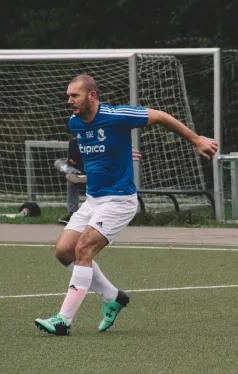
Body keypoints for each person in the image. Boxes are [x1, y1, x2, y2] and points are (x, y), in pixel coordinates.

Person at [35, 74, 218, 335]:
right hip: (94, 200)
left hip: (119, 200)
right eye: (68, 96)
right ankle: (113, 296)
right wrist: (116, 150)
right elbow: (97, 152)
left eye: (74, 95)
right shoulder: (74, 123)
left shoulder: (117, 115)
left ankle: (63, 320)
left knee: (84, 248)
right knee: (64, 251)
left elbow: (161, 116)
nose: (69, 101)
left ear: (92, 96)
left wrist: (196, 139)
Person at [55, 138, 142, 225]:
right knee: (60, 164)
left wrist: (120, 152)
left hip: (95, 173)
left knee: (73, 181)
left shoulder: (95, 139)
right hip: (79, 173)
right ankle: (72, 213)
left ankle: (104, 215)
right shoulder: (73, 142)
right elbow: (73, 158)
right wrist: (71, 161)